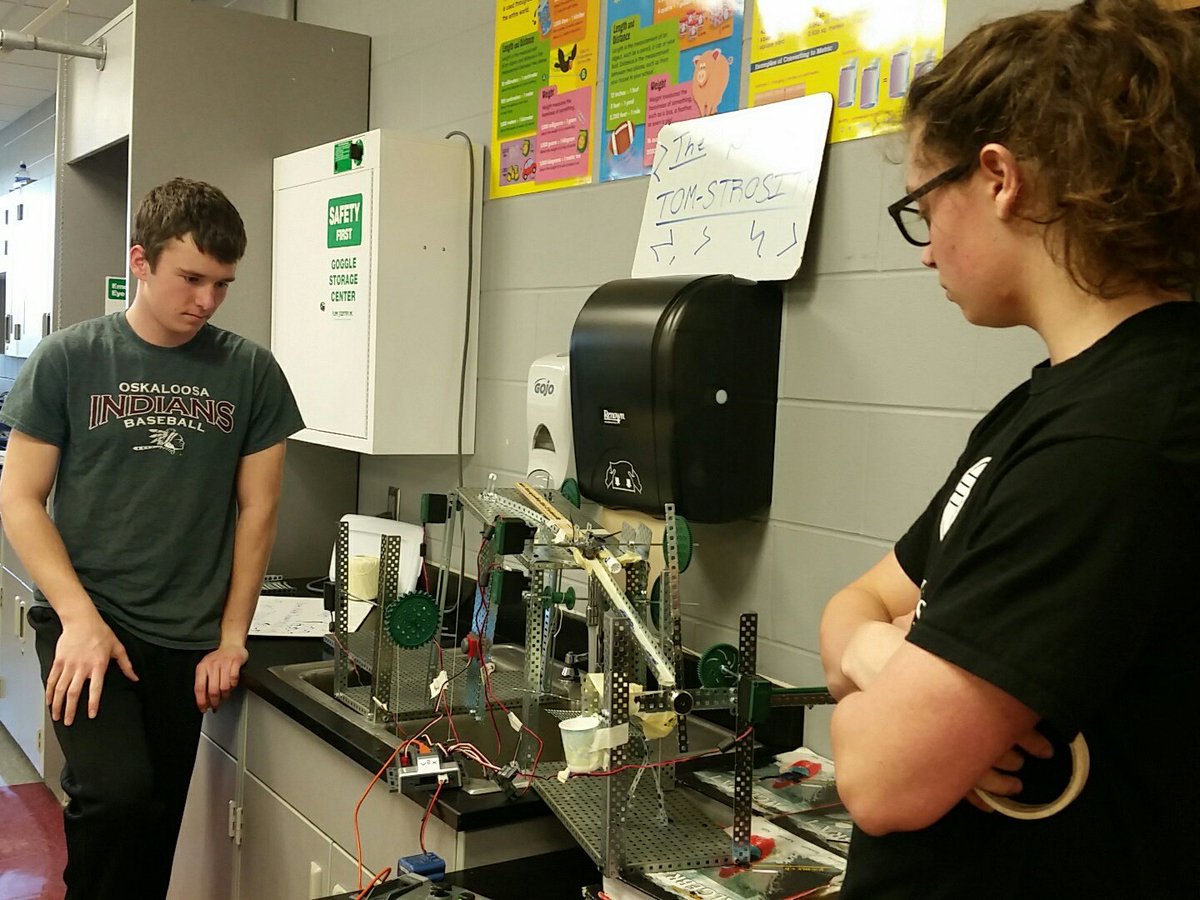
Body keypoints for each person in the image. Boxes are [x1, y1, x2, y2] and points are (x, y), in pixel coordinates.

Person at [818, 1, 1200, 896]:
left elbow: (879, 781)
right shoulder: (1047, 400)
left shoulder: (1118, 438)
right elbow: (859, 601)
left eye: (922, 205)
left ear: (997, 177)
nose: (924, 253)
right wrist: (886, 657)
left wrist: (885, 681)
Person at [0, 177, 305, 899]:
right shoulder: (70, 358)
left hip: (186, 635)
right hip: (88, 624)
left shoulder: (250, 372)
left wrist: (233, 636)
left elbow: (258, 514)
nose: (205, 301)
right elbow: (19, 498)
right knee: (115, 794)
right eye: (190, 278)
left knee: (156, 817)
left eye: (222, 284)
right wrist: (78, 617)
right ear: (141, 260)